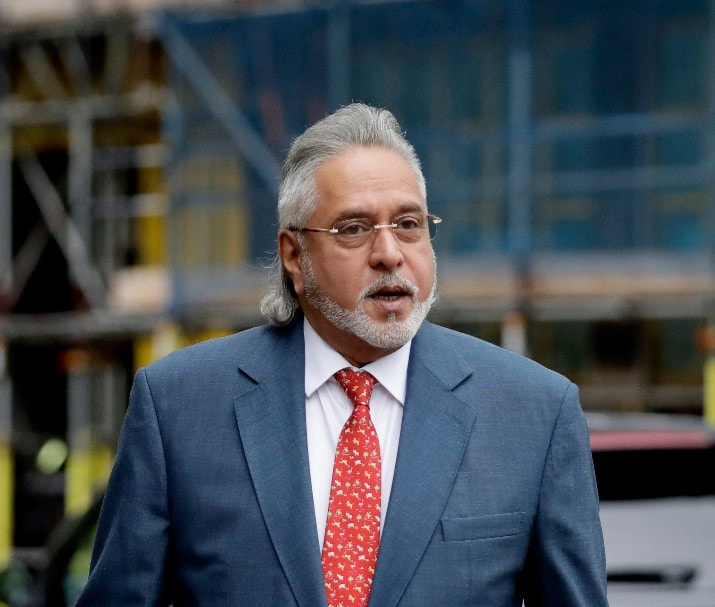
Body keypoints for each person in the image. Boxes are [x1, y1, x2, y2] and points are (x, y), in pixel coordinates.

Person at [76, 103, 608, 606]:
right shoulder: (179, 407)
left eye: (409, 224)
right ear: (294, 255)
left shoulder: (535, 414)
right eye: (353, 229)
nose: (389, 254)